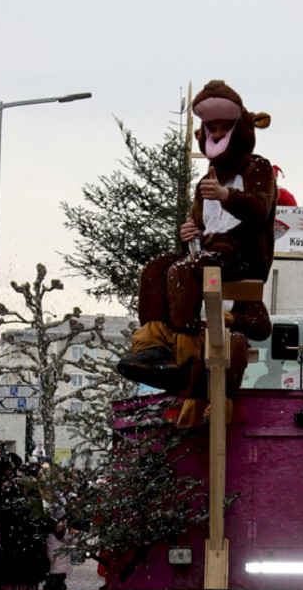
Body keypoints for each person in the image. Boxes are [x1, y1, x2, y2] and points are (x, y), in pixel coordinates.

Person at [117, 79, 277, 390]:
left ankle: (185, 352)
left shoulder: (259, 168)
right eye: (211, 129)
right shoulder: (206, 179)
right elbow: (201, 228)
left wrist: (225, 195)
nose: (216, 135)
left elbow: (260, 207)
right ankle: (153, 344)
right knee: (156, 268)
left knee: (185, 270)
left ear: (238, 128)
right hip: (211, 254)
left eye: (223, 129)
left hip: (244, 256)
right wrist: (188, 233)